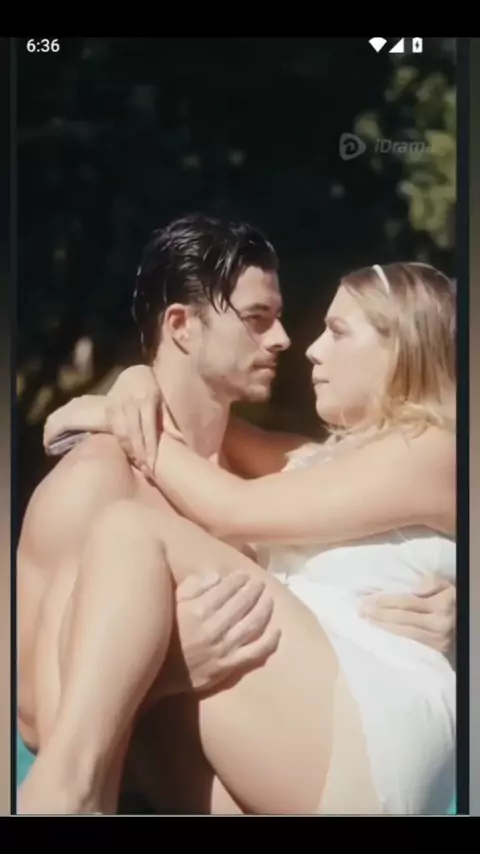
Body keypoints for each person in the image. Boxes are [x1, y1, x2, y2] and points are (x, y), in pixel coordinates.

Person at [23, 216, 455, 815]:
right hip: (300, 748)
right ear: (181, 326)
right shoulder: (304, 462)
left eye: (336, 331)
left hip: (376, 734)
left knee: (129, 531)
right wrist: (132, 385)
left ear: (402, 347)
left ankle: (60, 797)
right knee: (145, 721)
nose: (294, 342)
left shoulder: (425, 452)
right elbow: (37, 713)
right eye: (257, 318)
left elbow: (232, 509)